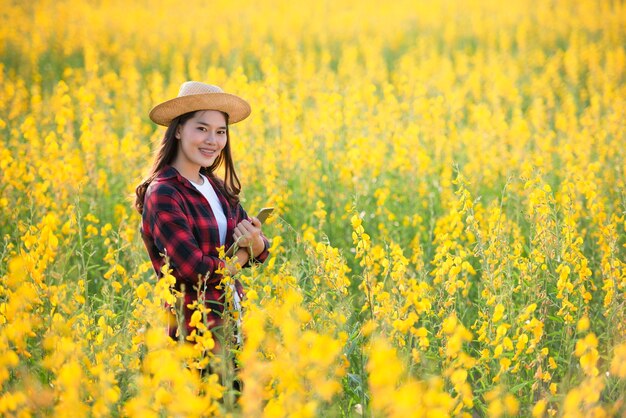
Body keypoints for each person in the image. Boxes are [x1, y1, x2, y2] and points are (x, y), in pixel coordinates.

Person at [134, 81, 270, 352]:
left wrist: (255, 241)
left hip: (235, 326)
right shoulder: (164, 193)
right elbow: (192, 269)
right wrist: (241, 258)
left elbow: (262, 250)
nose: (213, 141)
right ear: (179, 130)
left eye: (220, 132)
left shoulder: (216, 186)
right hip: (194, 334)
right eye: (202, 129)